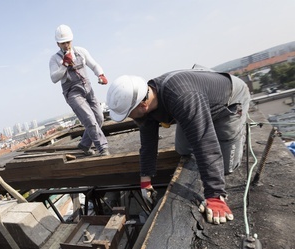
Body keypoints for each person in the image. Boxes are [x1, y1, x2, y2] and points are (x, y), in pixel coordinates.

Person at [106, 67, 250, 224]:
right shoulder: (146, 98)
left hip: (229, 101)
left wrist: (214, 195)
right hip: (196, 103)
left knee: (226, 168)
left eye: (128, 113)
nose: (129, 117)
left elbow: (204, 141)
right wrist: (145, 179)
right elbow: (148, 143)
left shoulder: (181, 97)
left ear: (142, 105)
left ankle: (235, 136)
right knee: (183, 149)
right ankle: (202, 122)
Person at [49, 24, 110, 156]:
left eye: (68, 42)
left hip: (88, 89)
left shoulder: (80, 51)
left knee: (99, 118)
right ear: (58, 44)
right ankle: (102, 147)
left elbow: (93, 64)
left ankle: (84, 145)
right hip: (73, 93)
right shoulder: (55, 59)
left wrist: (100, 74)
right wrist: (64, 64)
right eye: (63, 43)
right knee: (89, 119)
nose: (66, 45)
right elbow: (54, 78)